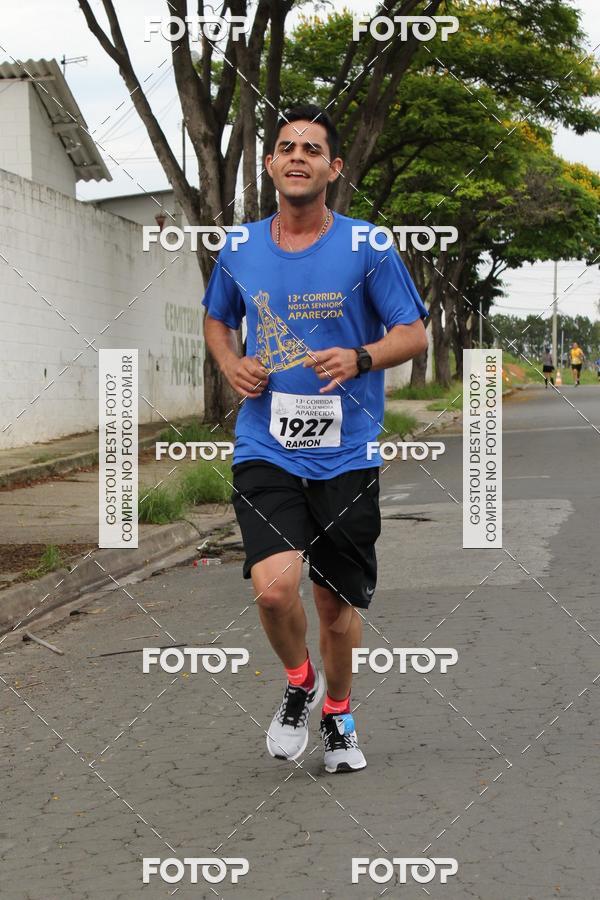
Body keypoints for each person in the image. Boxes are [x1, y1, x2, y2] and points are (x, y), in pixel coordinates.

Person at [202, 105, 428, 773]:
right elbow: (217, 321)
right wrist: (230, 363)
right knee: (275, 589)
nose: (297, 156)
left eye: (311, 148)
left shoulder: (368, 246)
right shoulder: (240, 247)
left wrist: (360, 357)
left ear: (334, 168)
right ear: (270, 164)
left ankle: (338, 713)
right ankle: (300, 682)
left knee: (334, 604)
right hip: (265, 444)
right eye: (285, 147)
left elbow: (413, 333)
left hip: (346, 451)